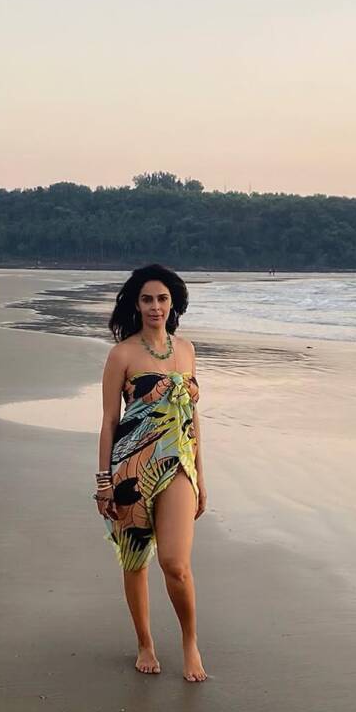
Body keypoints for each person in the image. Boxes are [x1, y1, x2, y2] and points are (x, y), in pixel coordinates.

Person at [95, 264, 208, 682]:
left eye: (162, 298)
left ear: (173, 302)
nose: (155, 306)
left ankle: (190, 642)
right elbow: (109, 421)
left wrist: (201, 476)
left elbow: (193, 417)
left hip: (178, 464)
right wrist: (104, 483)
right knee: (136, 558)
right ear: (136, 304)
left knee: (175, 563)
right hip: (131, 467)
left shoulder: (187, 349)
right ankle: (145, 642)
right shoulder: (122, 355)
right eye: (147, 299)